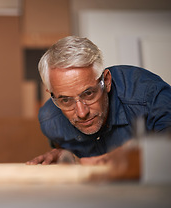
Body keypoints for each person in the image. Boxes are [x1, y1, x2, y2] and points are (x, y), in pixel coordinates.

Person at [27, 36, 171, 165]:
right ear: (51, 94)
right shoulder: (50, 120)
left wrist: (127, 157)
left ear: (107, 81)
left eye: (88, 93)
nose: (82, 113)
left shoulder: (148, 93)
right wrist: (67, 156)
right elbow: (69, 153)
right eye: (65, 100)